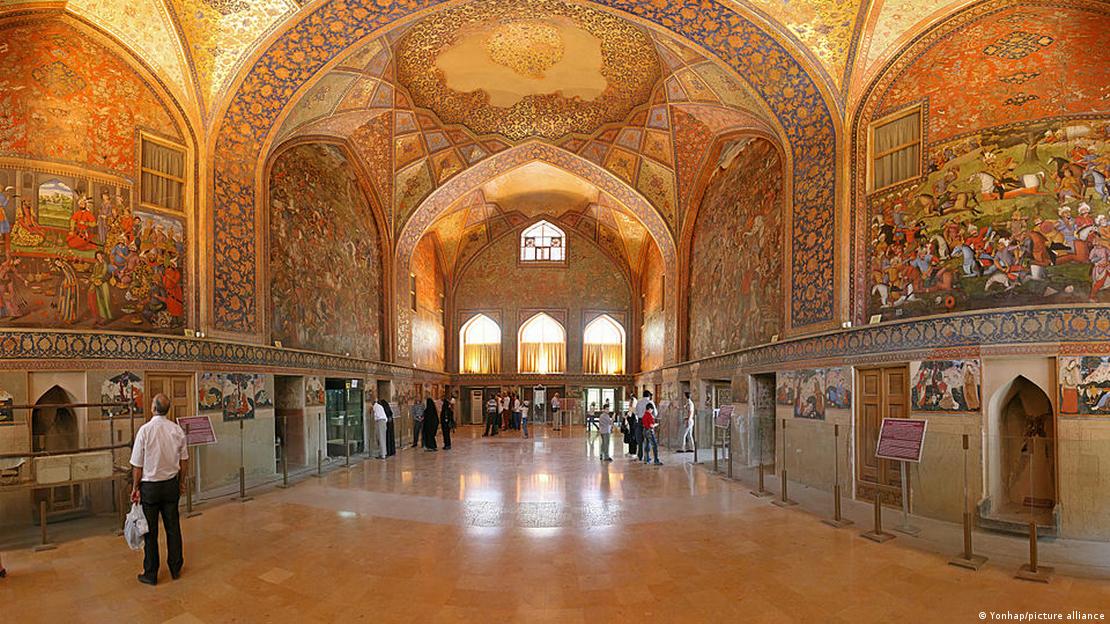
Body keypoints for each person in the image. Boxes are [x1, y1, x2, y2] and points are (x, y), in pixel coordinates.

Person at [129, 393, 188, 585]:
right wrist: (181, 482)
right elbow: (184, 461)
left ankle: (151, 572)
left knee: (150, 531)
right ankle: (175, 567)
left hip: (150, 488)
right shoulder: (177, 430)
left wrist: (135, 487)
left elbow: (137, 465)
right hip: (171, 484)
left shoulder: (145, 431)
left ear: (153, 408)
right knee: (173, 527)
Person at [641, 397, 662, 465]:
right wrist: (656, 424)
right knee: (654, 445)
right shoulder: (649, 415)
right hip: (649, 431)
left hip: (644, 430)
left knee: (647, 445)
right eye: (652, 409)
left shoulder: (644, 415)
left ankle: (646, 459)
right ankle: (656, 460)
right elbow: (651, 425)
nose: (652, 411)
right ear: (649, 409)